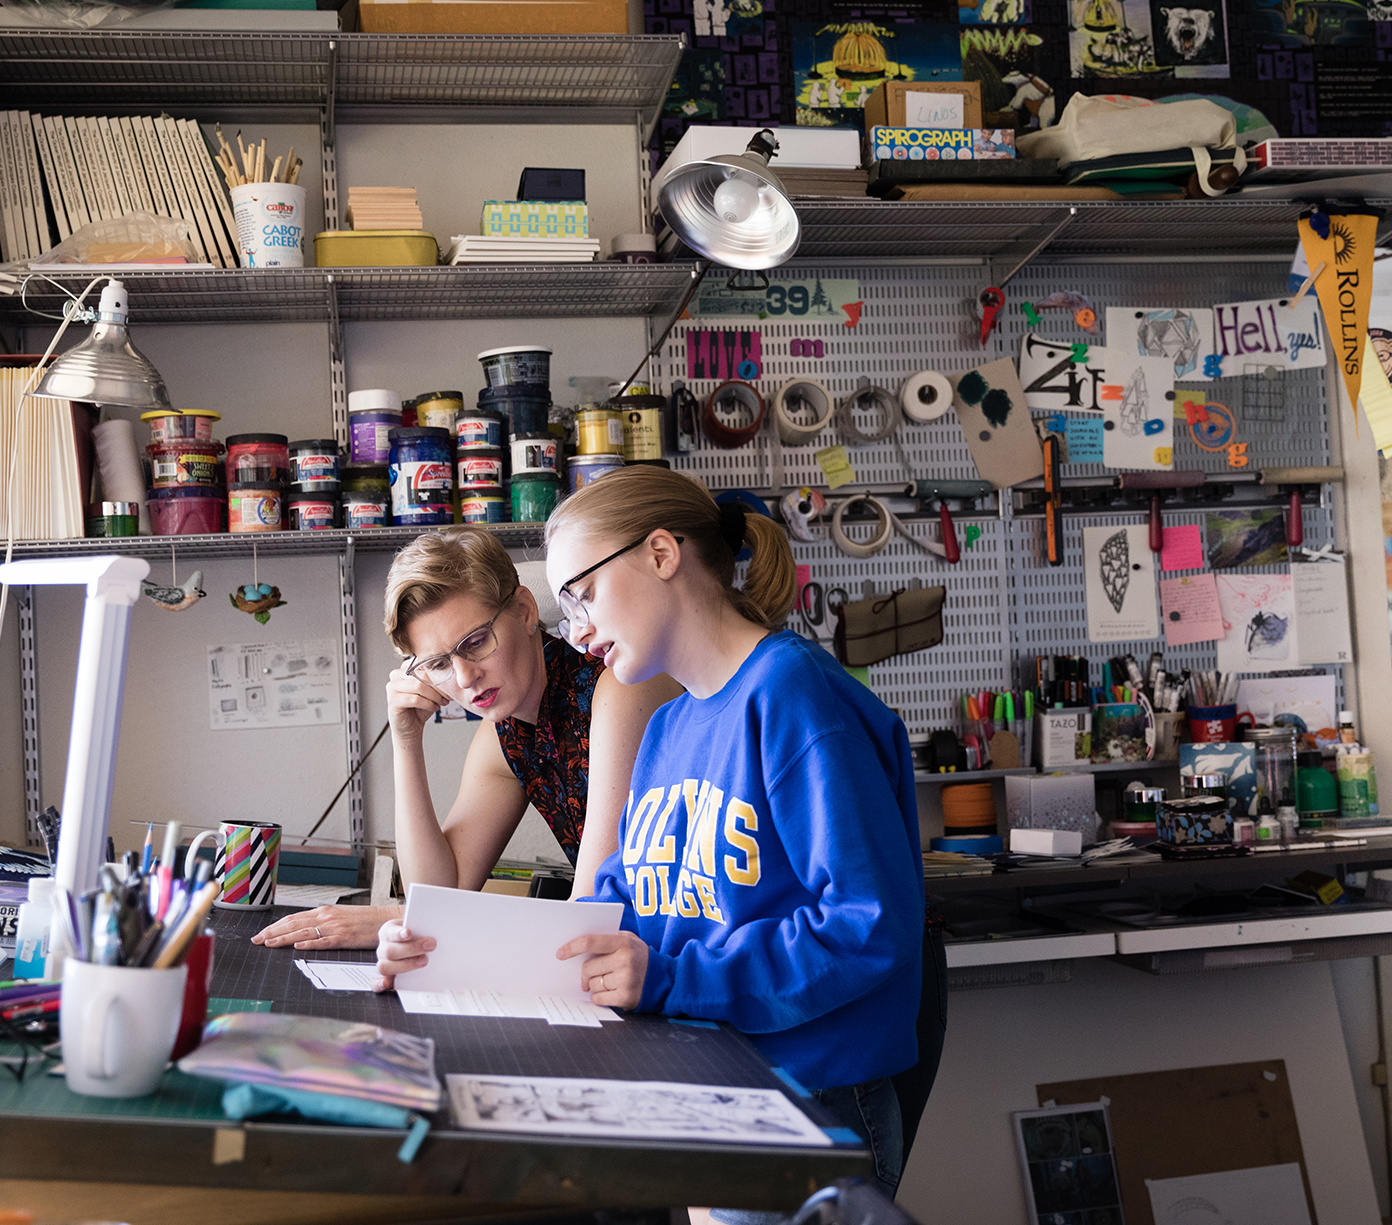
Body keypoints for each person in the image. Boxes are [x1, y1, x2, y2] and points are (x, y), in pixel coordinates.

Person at [378, 467, 928, 1215]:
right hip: (716, 1078)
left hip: (810, 1087)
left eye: (584, 593)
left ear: (662, 552)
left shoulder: (791, 695)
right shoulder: (669, 727)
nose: (575, 629)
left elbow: (867, 926)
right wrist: (439, 949)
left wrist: (672, 979)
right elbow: (609, 911)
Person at [252, 528, 676, 951]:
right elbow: (442, 891)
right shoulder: (505, 732)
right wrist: (406, 740)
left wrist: (394, 920)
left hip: (684, 957)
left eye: (475, 642)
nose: (463, 678)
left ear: (526, 610)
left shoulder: (618, 688)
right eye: (438, 664)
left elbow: (588, 915)